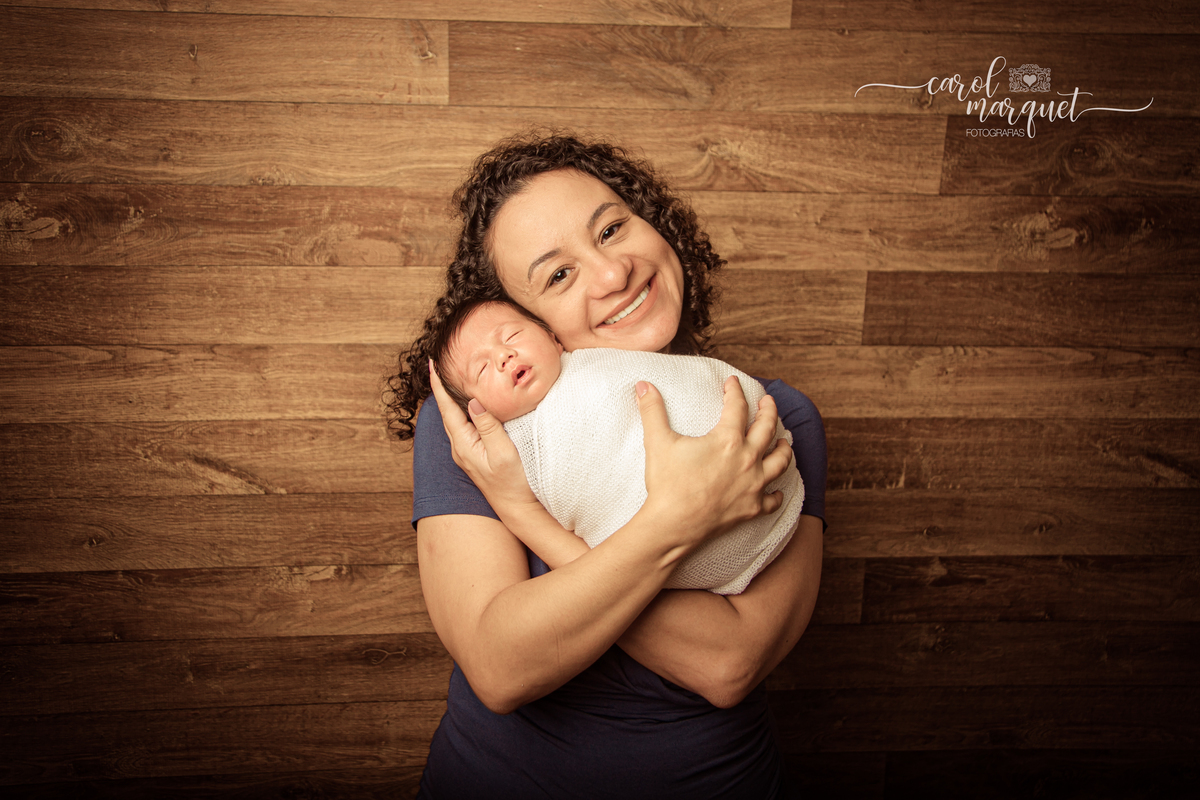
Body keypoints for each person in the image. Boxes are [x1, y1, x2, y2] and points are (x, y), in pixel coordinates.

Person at [385, 132, 827, 799]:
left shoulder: (774, 419)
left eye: (613, 229)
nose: (614, 273)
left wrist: (526, 517)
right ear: (523, 322)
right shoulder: (483, 430)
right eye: (557, 275)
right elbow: (502, 668)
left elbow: (730, 663)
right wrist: (679, 519)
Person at [423, 296, 805, 595]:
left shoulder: (598, 365)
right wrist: (517, 502)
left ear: (553, 338)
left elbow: (730, 668)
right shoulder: (482, 451)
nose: (504, 357)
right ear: (477, 412)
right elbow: (497, 672)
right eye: (483, 368)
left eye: (512, 336)